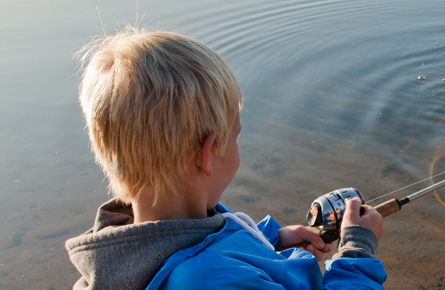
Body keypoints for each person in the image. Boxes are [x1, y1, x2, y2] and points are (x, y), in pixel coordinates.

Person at [64, 27, 386, 290]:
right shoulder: (209, 280)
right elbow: (214, 268)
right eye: (236, 135)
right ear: (207, 154)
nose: (238, 144)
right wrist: (357, 250)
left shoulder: (126, 251)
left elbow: (204, 239)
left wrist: (270, 239)